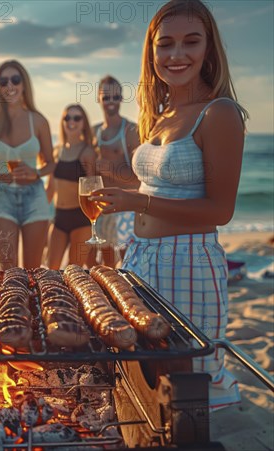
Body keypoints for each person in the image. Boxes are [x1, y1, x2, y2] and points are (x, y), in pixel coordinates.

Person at [91, 0, 247, 410]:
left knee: (188, 387)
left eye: (191, 42)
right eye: (166, 45)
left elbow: (219, 211)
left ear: (209, 50)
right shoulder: (161, 115)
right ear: (152, 53)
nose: (177, 55)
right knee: (145, 381)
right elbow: (160, 181)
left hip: (188, 263)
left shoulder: (220, 113)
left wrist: (134, 201)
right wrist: (114, 183)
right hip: (140, 258)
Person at [0, 60, 55, 269]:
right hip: (2, 198)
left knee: (32, 271)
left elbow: (51, 164)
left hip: (35, 198)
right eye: (3, 82)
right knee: (9, 272)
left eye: (15, 79)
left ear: (24, 84)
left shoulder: (37, 121)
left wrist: (35, 173)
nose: (10, 86)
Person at [93, 76, 141, 267]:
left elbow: (139, 179)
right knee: (107, 268)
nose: (110, 102)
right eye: (106, 97)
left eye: (115, 97)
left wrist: (110, 170)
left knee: (128, 265)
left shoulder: (130, 130)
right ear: (98, 99)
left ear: (121, 98)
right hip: (102, 207)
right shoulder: (93, 132)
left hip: (125, 207)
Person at [45, 104, 97, 268]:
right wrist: (39, 216)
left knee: (73, 271)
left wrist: (96, 224)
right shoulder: (57, 151)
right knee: (50, 270)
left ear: (84, 123)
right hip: (59, 218)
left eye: (77, 118)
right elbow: (51, 188)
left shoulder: (88, 152)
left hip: (80, 219)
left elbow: (94, 190)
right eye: (67, 118)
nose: (71, 122)